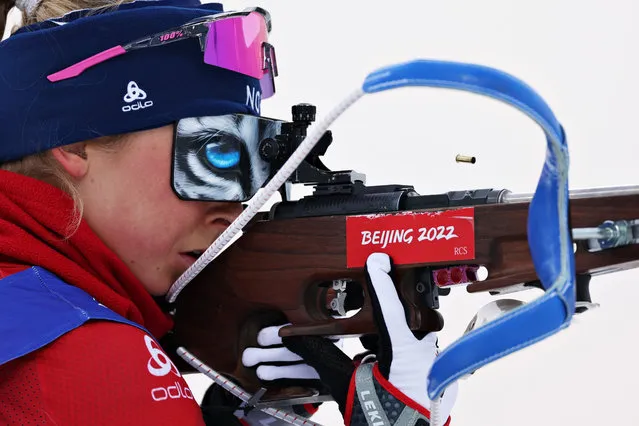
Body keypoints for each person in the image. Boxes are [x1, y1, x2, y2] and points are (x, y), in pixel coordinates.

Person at [0, 0, 458, 424]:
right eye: (215, 153)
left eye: (260, 167)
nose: (236, 209)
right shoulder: (93, 357)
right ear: (74, 142)